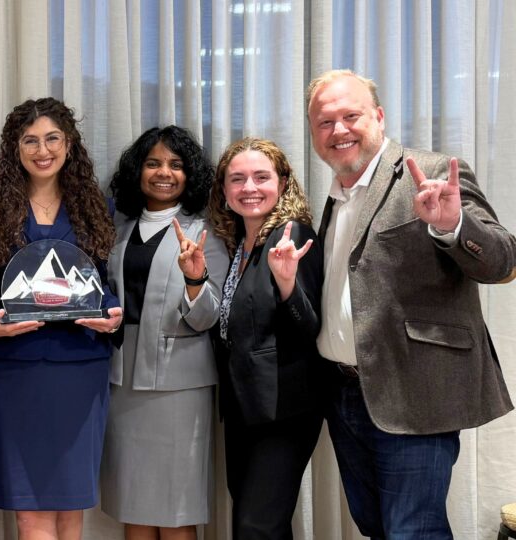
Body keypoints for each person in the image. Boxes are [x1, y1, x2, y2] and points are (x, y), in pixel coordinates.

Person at [307, 69, 515, 539]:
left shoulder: (432, 173)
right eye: (324, 122)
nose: (338, 130)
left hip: (415, 391)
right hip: (345, 396)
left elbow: (503, 261)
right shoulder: (337, 197)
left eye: (350, 115)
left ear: (378, 117)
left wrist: (453, 226)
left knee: (413, 532)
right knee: (376, 527)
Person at [0, 97, 122, 540]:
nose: (43, 149)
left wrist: (112, 316)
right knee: (30, 512)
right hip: (13, 370)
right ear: (14, 148)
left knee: (70, 506)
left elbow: (104, 281)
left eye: (53, 138)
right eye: (30, 140)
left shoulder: (97, 206)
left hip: (81, 368)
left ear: (70, 144)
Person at [100, 125, 227, 540]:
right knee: (133, 505)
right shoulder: (118, 229)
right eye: (153, 163)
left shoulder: (205, 232)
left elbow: (208, 318)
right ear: (138, 171)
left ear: (191, 175)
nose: (164, 173)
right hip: (122, 381)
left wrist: (195, 280)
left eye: (176, 165)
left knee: (175, 511)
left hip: (180, 386)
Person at [208, 137, 325, 539]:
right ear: (223, 191)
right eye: (237, 179)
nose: (249, 188)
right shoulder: (239, 245)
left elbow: (310, 327)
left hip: (284, 410)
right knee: (257, 520)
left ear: (283, 182)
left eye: (261, 177)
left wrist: (289, 283)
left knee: (256, 527)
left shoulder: (292, 236)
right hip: (244, 407)